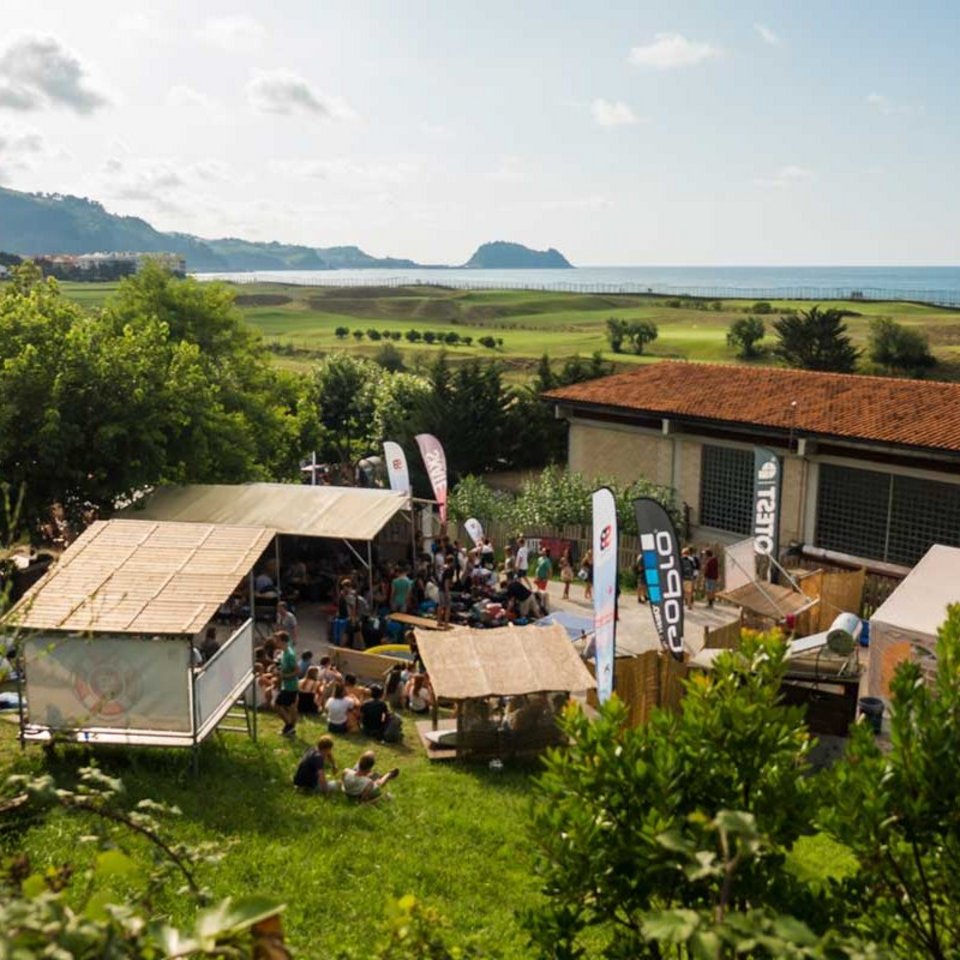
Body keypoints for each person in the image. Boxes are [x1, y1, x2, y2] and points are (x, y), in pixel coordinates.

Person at [275, 631, 299, 737]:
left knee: (277, 705)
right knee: (291, 707)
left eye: (277, 640)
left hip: (290, 686)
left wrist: (284, 676)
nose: (276, 643)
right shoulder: (284, 652)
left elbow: (297, 671)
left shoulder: (290, 654)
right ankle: (291, 729)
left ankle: (289, 725)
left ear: (283, 641)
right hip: (287, 685)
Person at [437, 555, 455, 627]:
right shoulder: (449, 570)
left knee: (441, 606)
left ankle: (439, 621)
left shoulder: (443, 568)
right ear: (452, 562)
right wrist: (448, 594)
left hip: (440, 588)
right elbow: (446, 582)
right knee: (448, 606)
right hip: (444, 589)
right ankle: (446, 623)